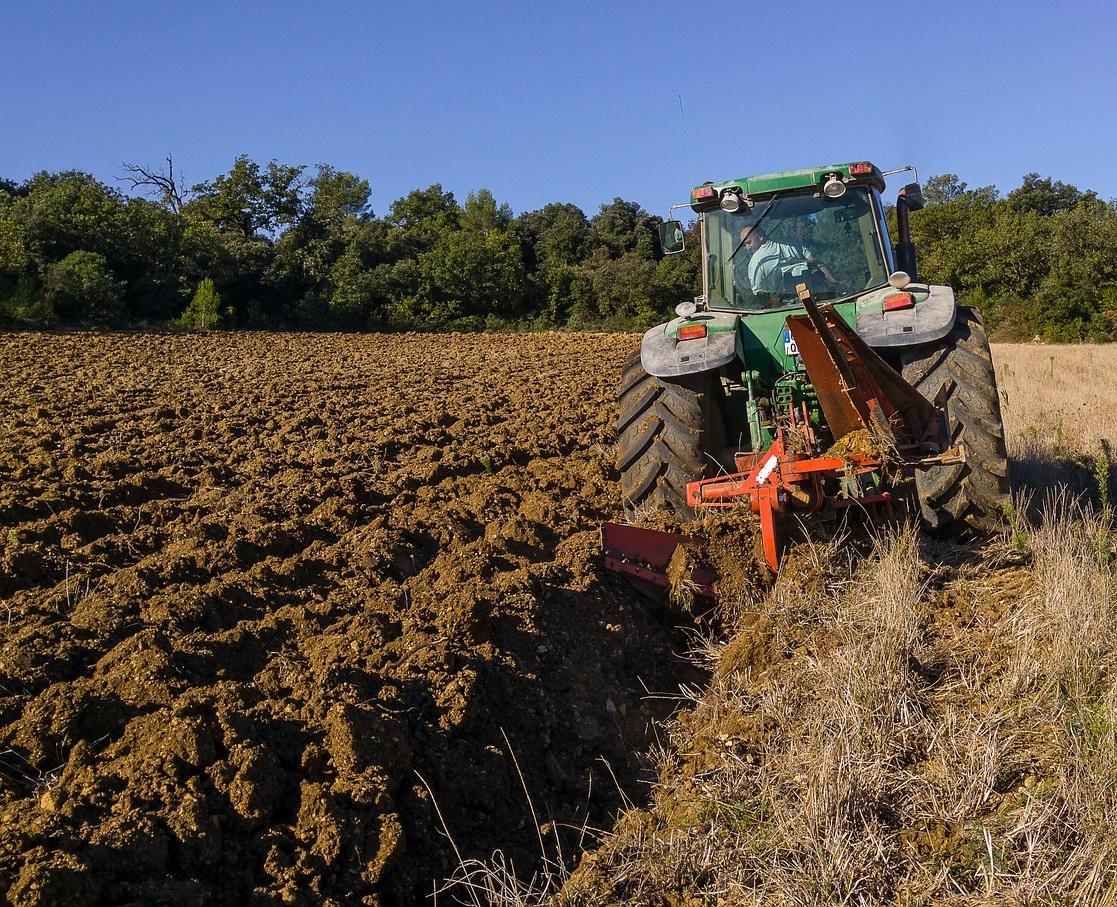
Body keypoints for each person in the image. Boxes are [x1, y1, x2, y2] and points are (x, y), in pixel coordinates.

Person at [740, 226, 840, 297]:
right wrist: (835, 283)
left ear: (760, 237)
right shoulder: (791, 243)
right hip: (816, 297)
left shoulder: (756, 261)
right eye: (744, 245)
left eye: (749, 243)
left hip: (782, 306)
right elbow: (816, 263)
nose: (747, 248)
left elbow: (758, 292)